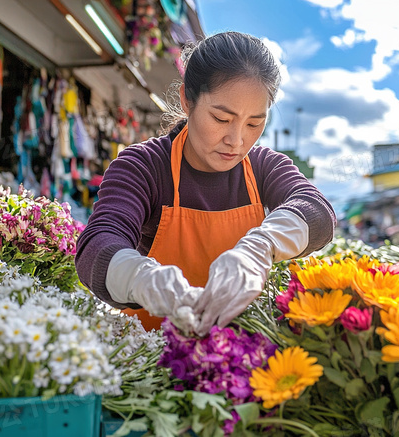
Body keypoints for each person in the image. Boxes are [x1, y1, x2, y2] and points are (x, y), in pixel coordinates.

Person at [75, 32, 335, 336]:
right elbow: (97, 245)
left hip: (240, 354)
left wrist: (260, 246)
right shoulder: (144, 166)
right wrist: (143, 280)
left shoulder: (263, 166)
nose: (236, 141)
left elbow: (317, 211)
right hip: (152, 351)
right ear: (188, 100)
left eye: (254, 123)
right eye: (221, 118)